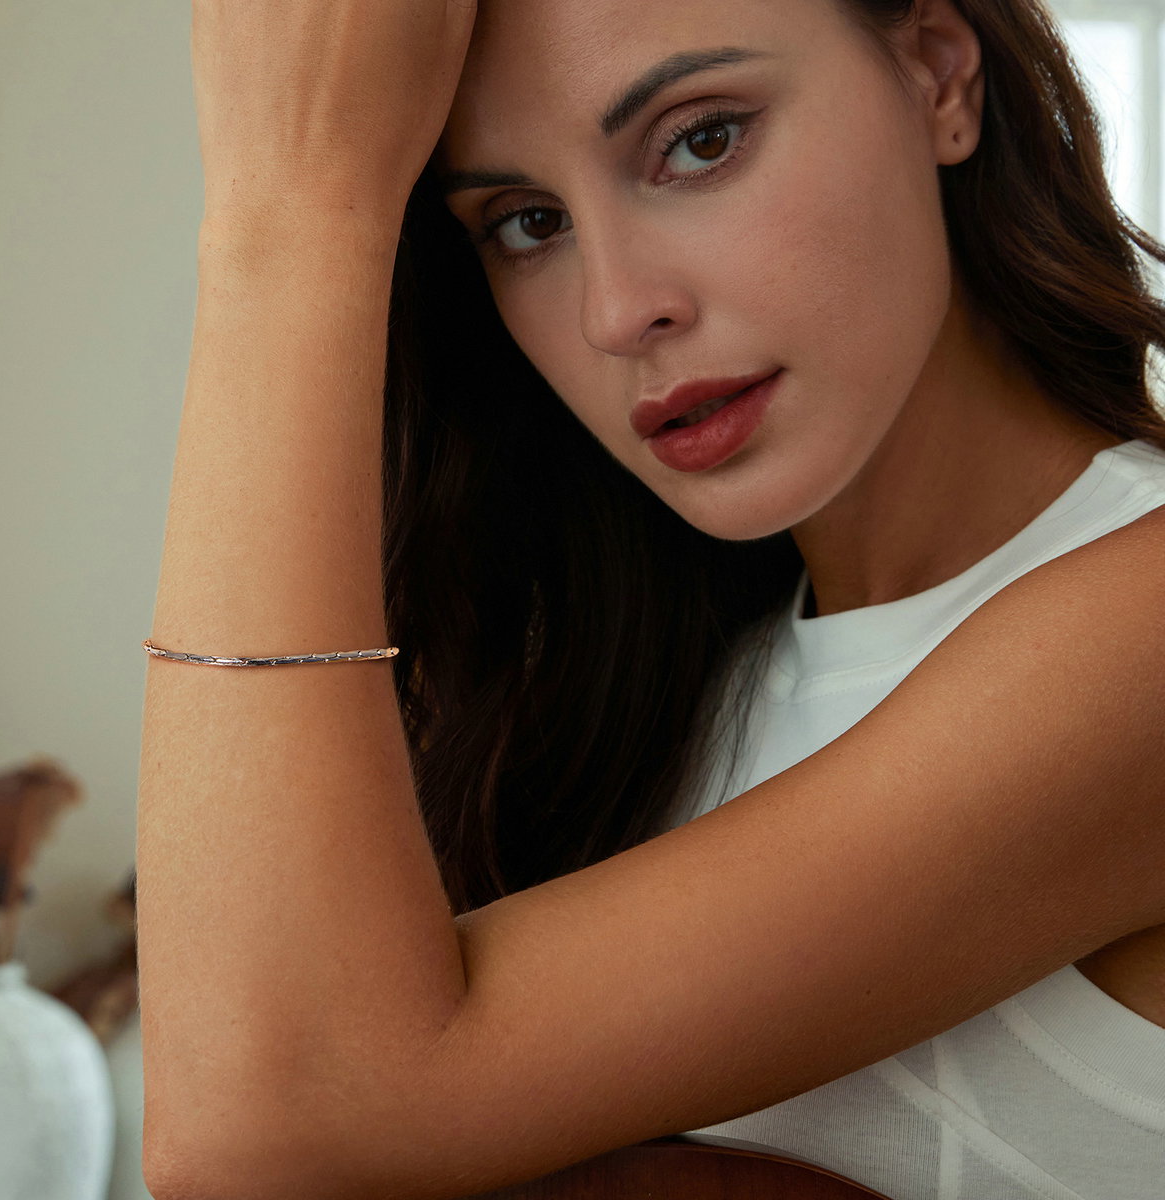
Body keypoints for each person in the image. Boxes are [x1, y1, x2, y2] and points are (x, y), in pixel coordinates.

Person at [137, 1, 1165, 1197]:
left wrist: (288, 211)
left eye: (702, 140)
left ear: (937, 73)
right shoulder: (641, 690)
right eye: (529, 222)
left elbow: (265, 1126)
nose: (617, 311)